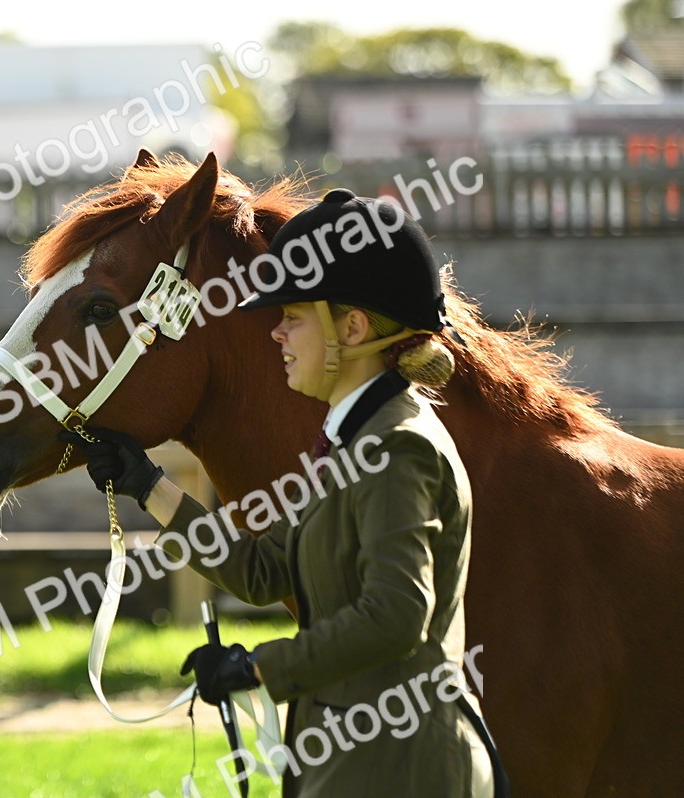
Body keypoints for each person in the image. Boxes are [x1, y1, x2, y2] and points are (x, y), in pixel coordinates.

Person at [66, 189, 506, 796]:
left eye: (293, 317)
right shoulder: (349, 440)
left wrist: (256, 668)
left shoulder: (398, 448)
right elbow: (265, 571)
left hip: (403, 770)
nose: (276, 334)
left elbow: (396, 615)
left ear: (351, 328)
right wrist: (149, 485)